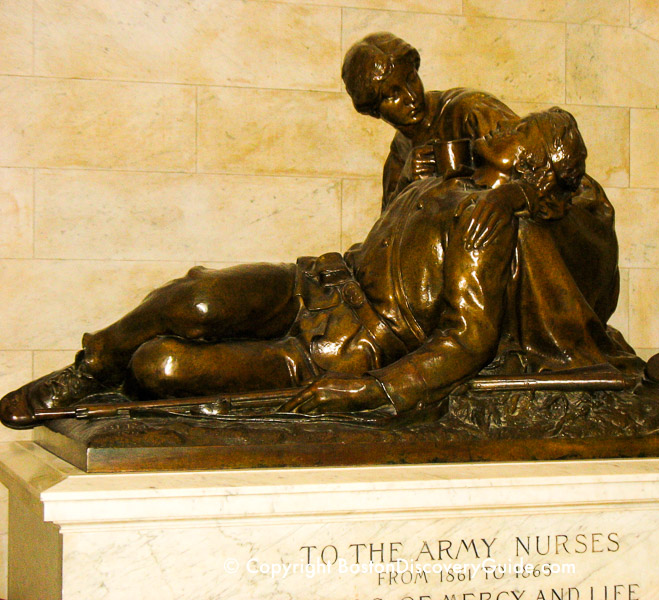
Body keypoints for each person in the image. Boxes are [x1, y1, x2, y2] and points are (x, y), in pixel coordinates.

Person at [1, 108, 623, 429]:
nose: (501, 125)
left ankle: (123, 369)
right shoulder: (444, 176)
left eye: (519, 131)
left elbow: (469, 337)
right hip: (314, 284)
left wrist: (377, 390)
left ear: (531, 166)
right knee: (196, 298)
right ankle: (87, 368)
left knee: (161, 367)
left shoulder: (488, 225)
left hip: (340, 349)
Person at [342, 32, 519, 208]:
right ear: (373, 110)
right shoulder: (399, 154)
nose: (411, 96)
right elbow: (387, 228)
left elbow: (529, 161)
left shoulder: (469, 109)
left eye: (411, 79)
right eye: (393, 94)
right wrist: (405, 184)